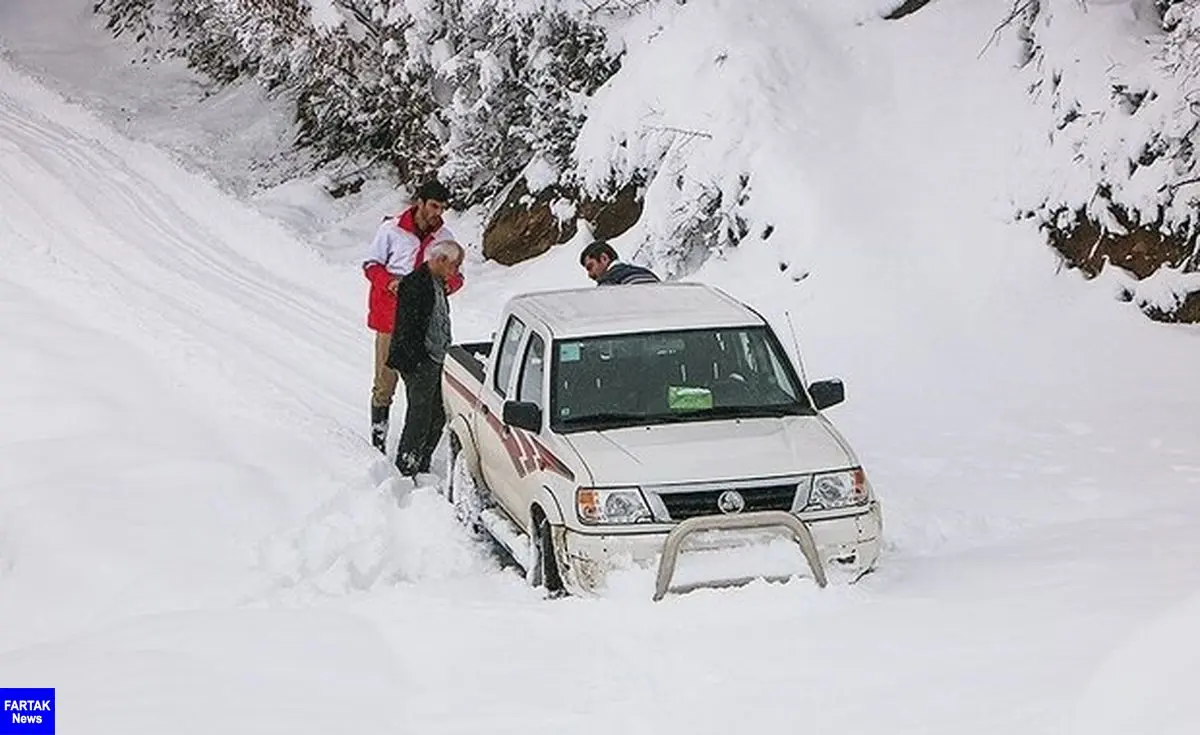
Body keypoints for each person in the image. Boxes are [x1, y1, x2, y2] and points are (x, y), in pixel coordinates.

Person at [363, 180, 464, 453]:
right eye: (433, 206)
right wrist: (389, 283)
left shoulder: (445, 236)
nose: (437, 213)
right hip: (390, 316)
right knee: (385, 383)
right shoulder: (391, 230)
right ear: (419, 203)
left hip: (425, 323)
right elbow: (371, 265)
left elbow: (458, 276)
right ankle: (378, 441)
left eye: (442, 208)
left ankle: (415, 447)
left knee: (423, 389)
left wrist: (447, 285)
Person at [385, 240, 465, 478]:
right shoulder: (415, 283)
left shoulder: (437, 283)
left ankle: (423, 461)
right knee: (419, 414)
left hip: (436, 357)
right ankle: (407, 466)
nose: (456, 272)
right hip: (420, 360)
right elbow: (408, 327)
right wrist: (418, 361)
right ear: (441, 260)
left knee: (438, 413)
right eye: (454, 266)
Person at [579, 240, 660, 285]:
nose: (589, 275)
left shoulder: (608, 285)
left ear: (604, 258)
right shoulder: (647, 274)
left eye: (590, 267)